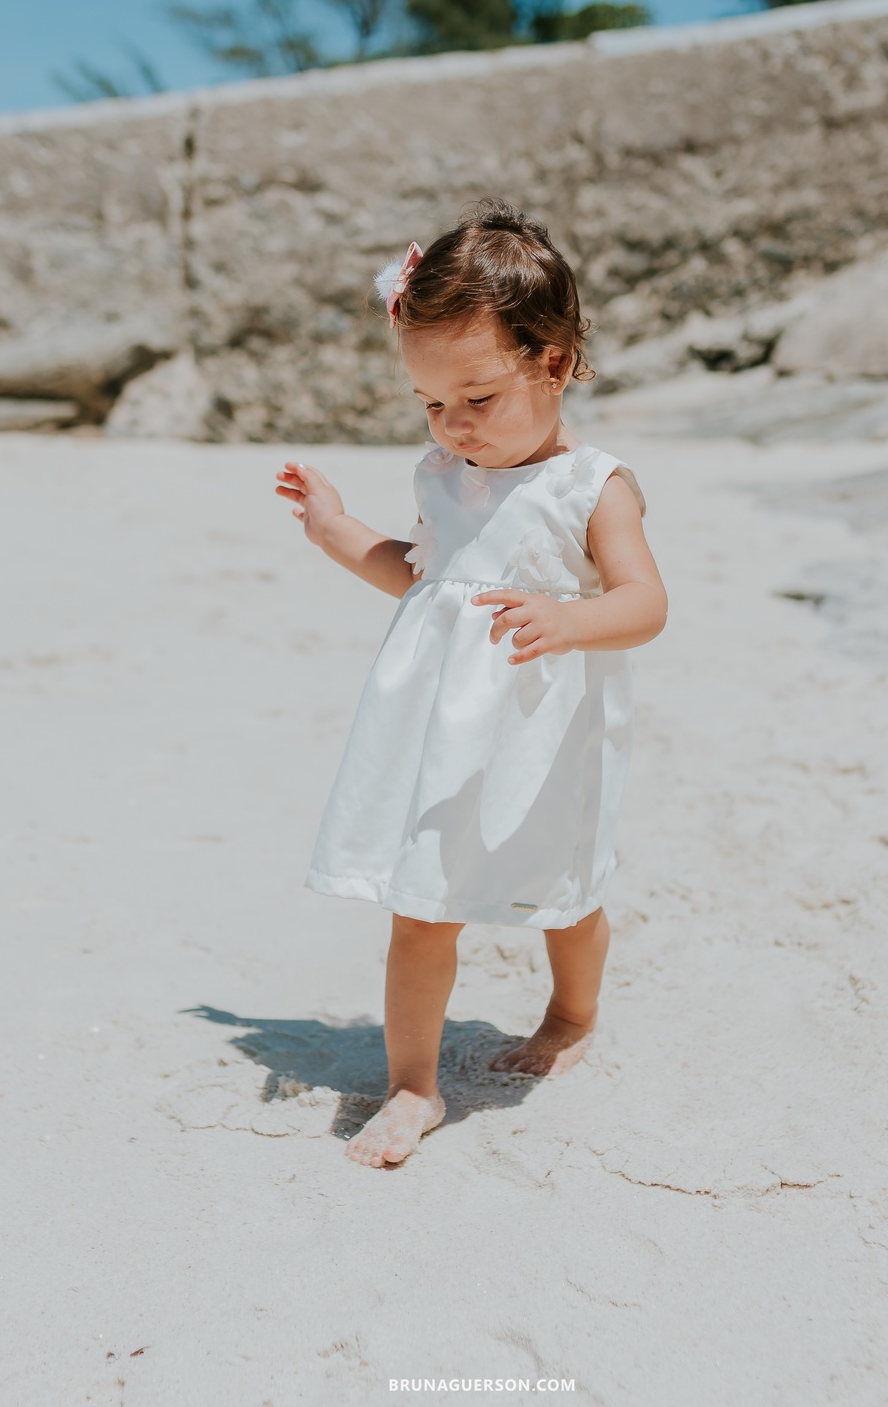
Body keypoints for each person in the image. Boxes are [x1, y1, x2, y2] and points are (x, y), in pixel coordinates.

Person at [275, 200, 667, 1167]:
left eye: (477, 399)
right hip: (439, 731)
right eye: (431, 404)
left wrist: (572, 619)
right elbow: (426, 580)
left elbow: (646, 602)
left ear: (555, 362)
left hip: (544, 725)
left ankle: (572, 1017)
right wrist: (335, 531)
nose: (453, 424)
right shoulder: (442, 478)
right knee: (422, 902)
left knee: (564, 894)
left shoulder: (594, 485)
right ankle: (413, 1085)